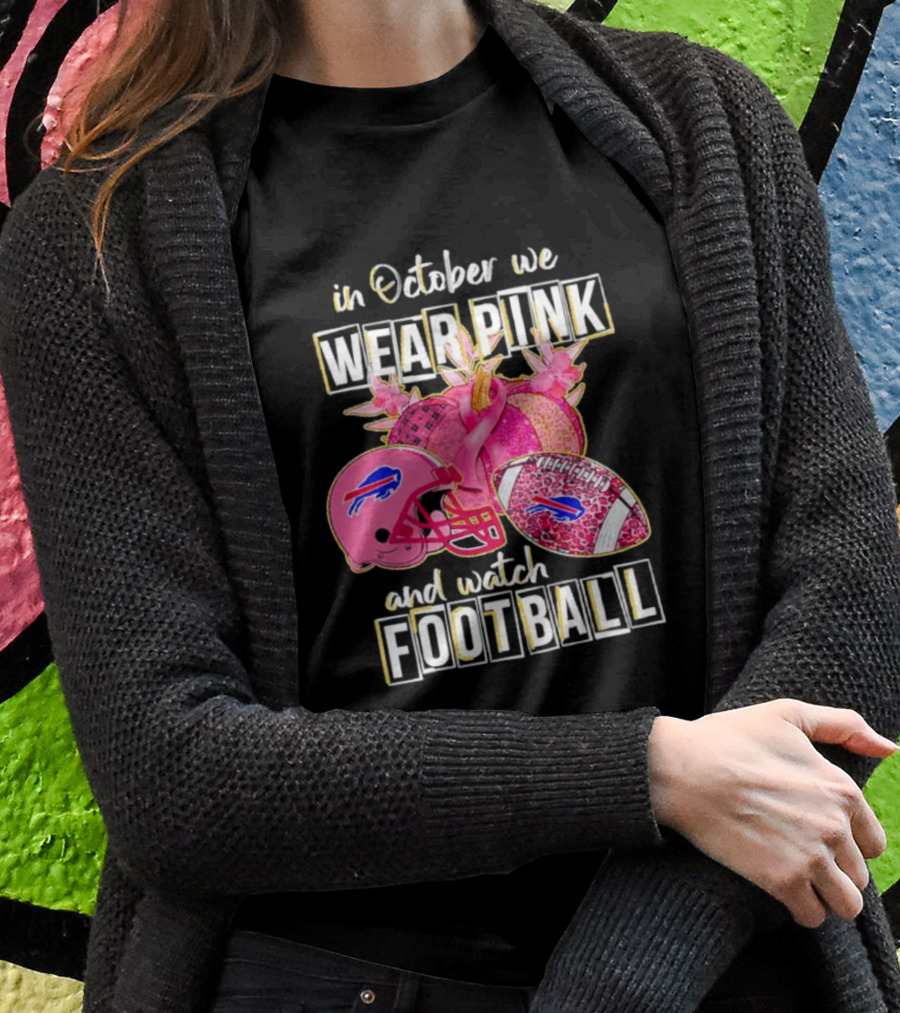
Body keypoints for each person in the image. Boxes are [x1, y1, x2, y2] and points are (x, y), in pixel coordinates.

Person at [0, 0, 899, 1010]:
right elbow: (173, 772)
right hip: (339, 979)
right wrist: (648, 772)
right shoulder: (100, 238)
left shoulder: (703, 127)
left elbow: (852, 602)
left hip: (712, 965)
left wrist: (628, 971)